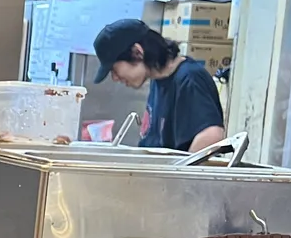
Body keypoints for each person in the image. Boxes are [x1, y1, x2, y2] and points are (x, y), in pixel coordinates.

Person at [92, 17, 226, 152]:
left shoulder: (190, 78)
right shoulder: (158, 80)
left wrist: (179, 171)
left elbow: (212, 135)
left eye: (114, 70)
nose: (115, 78)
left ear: (137, 52)